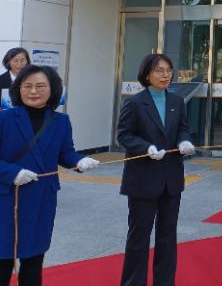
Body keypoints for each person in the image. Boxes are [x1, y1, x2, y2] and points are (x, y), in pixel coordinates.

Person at [0, 65, 98, 286]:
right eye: (27, 86)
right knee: (3, 259)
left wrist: (79, 161)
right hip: (7, 199)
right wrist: (12, 173)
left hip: (41, 198)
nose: (33, 91)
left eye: (40, 86)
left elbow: (66, 153)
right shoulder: (4, 119)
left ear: (53, 89)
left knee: (34, 260)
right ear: (18, 89)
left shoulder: (60, 121)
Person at [117, 53, 195, 286]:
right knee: (139, 236)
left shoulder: (177, 101)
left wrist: (184, 141)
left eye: (168, 70)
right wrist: (146, 147)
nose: (165, 75)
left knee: (167, 236)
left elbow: (183, 128)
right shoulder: (134, 102)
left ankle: (165, 281)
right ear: (147, 74)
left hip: (171, 179)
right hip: (142, 179)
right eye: (159, 70)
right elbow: (123, 135)